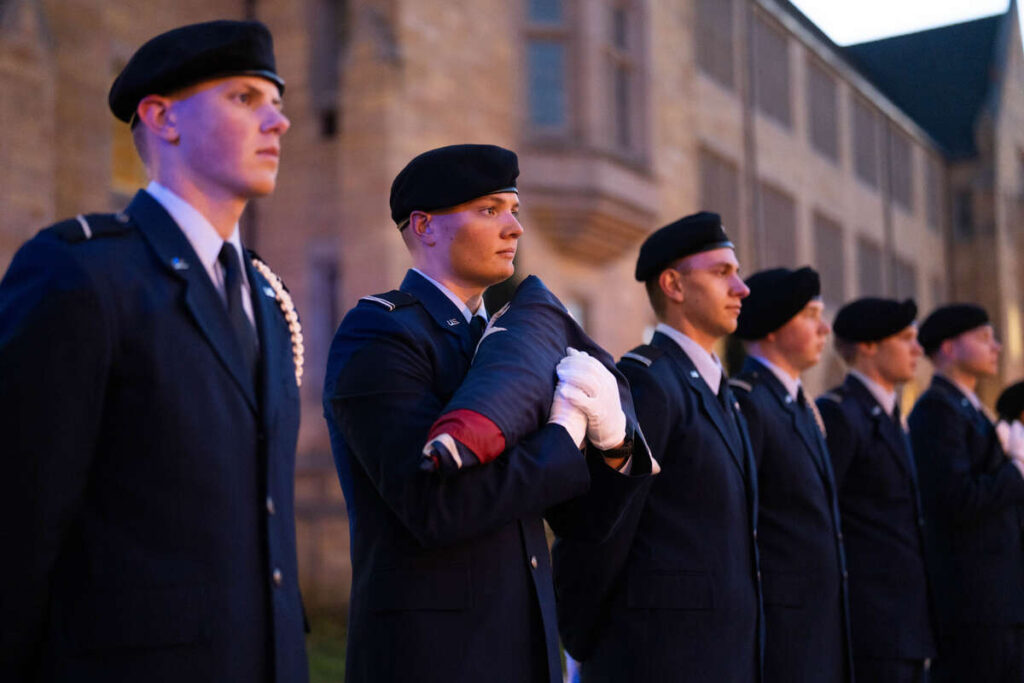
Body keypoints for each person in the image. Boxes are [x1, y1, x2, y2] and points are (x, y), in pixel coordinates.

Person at [0, 20, 307, 683]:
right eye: (246, 98)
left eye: (276, 103)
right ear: (163, 117)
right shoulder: (80, 275)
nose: (278, 122)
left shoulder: (267, 297)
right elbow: (17, 531)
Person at [322, 144, 654, 683]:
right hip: (434, 661)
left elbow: (585, 523)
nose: (514, 228)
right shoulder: (382, 335)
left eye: (514, 210)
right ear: (425, 225)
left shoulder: (514, 345)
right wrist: (563, 437)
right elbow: (434, 508)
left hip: (523, 652)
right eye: (489, 210)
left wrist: (616, 444)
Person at [564, 211, 762, 682]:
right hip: (659, 658)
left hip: (721, 657)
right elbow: (603, 528)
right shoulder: (647, 382)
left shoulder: (723, 394)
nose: (742, 288)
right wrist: (586, 641)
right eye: (721, 273)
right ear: (673, 285)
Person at [730, 267, 852, 683]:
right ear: (773, 326)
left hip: (819, 626)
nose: (824, 328)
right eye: (809, 314)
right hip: (783, 633)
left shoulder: (799, 402)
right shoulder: (749, 402)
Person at [817, 297, 935, 682]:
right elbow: (824, 515)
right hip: (872, 624)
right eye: (905, 338)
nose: (918, 349)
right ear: (868, 346)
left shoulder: (889, 415)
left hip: (907, 622)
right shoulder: (841, 413)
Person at [908, 303, 1024, 683]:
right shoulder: (937, 410)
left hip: (999, 601)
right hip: (973, 603)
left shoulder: (968, 409)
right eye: (983, 338)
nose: (997, 347)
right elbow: (958, 499)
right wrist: (1017, 470)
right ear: (949, 348)